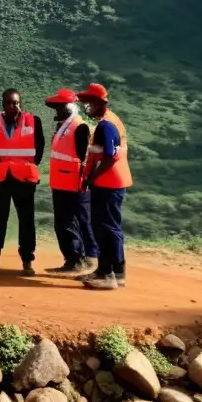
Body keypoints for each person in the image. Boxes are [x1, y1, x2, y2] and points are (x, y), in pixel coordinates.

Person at [0, 88, 45, 276]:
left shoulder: (33, 120)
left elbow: (40, 147)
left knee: (26, 220)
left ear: (20, 102)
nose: (12, 106)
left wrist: (30, 165)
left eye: (15, 102)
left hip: (25, 178)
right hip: (2, 178)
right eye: (8, 102)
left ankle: (27, 261)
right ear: (2, 103)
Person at [76, 83, 132, 291]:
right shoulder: (111, 120)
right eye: (85, 102)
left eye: (90, 102)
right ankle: (115, 271)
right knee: (112, 227)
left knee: (104, 228)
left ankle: (107, 275)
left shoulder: (105, 125)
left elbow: (109, 156)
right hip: (115, 182)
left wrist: (91, 178)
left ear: (101, 103)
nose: (87, 106)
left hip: (107, 182)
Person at [43, 88, 98, 275]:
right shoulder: (63, 127)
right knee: (63, 223)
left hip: (73, 184)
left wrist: (83, 180)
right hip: (61, 183)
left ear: (68, 107)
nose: (56, 111)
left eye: (59, 107)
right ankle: (72, 260)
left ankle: (83, 260)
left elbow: (84, 158)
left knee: (78, 221)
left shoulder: (79, 127)